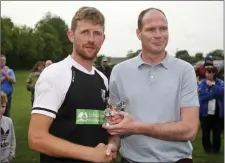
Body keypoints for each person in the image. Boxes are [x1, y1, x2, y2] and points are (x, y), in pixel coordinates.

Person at [103, 8, 199, 163]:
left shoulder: (185, 70)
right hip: (131, 160)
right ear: (139, 33)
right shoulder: (120, 71)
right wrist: (113, 142)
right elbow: (114, 117)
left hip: (177, 159)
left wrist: (137, 127)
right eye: (151, 29)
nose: (158, 35)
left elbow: (190, 130)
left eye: (163, 29)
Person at [28, 6, 118, 163]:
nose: (91, 39)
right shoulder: (55, 74)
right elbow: (36, 137)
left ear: (103, 39)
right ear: (71, 35)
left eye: (97, 33)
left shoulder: (102, 79)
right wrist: (91, 154)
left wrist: (112, 143)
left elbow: (101, 124)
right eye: (85, 32)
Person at [198, 66, 224, 154]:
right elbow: (201, 95)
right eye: (206, 72)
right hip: (205, 112)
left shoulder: (220, 82)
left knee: (217, 132)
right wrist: (213, 94)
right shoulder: (202, 83)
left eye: (209, 72)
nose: (207, 74)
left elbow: (222, 93)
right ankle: (207, 148)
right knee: (205, 131)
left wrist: (212, 86)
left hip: (217, 112)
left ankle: (216, 149)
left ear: (214, 73)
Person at [0, 91, 16, 163]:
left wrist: (11, 154)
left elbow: (13, 138)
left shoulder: (9, 121)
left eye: (3, 106)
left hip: (6, 159)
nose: (1, 109)